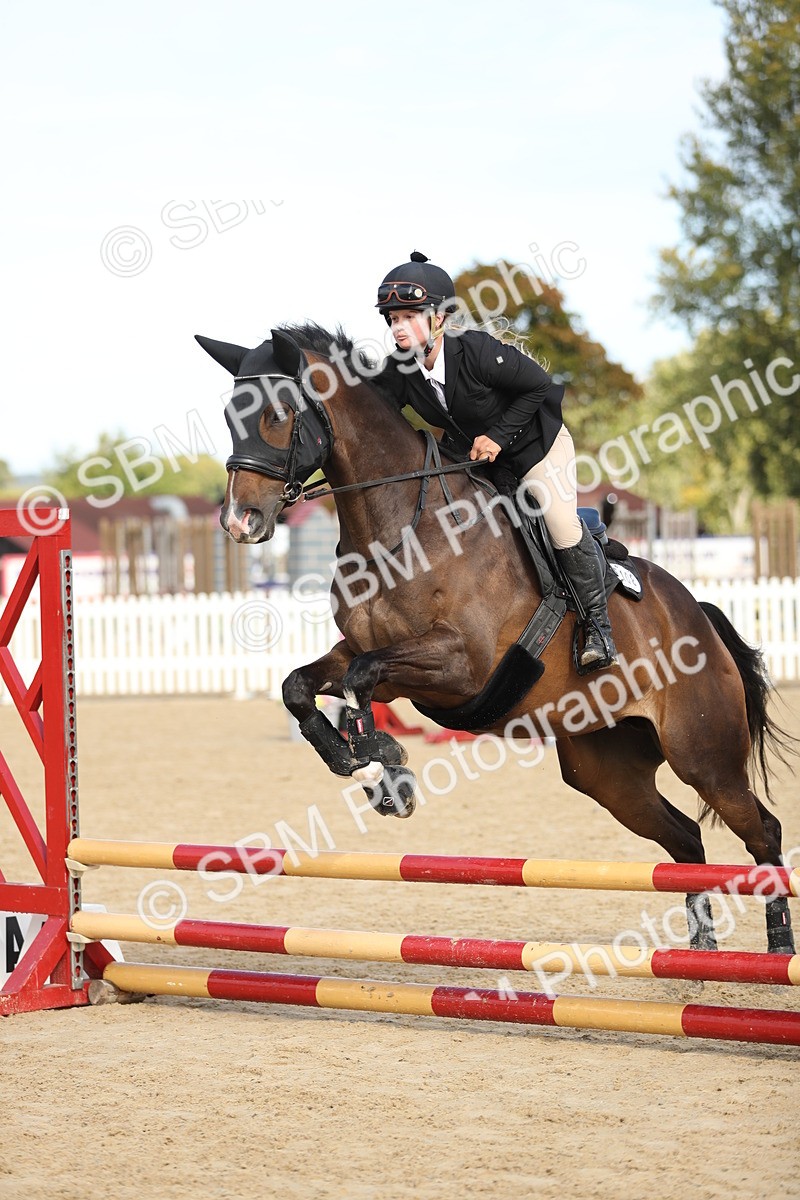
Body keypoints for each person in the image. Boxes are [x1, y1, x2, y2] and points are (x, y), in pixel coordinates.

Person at [376, 251, 617, 671]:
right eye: (393, 319)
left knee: (559, 524)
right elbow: (370, 409)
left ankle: (598, 628)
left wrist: (498, 438)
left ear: (440, 318)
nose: (398, 327)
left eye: (409, 316)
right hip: (475, 458)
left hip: (536, 445)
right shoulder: (400, 369)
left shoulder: (479, 352)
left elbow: (539, 387)